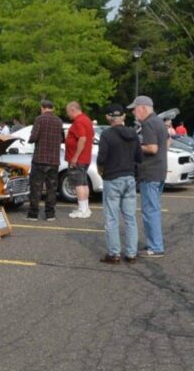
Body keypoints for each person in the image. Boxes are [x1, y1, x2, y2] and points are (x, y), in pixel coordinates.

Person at [96, 104, 142, 264]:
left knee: (112, 218)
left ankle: (114, 253)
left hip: (112, 178)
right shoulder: (133, 134)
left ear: (109, 117)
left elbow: (101, 158)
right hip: (129, 178)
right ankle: (131, 254)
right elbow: (139, 158)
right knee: (130, 218)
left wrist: (101, 170)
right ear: (123, 117)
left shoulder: (107, 135)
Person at [130, 95, 168, 258]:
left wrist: (136, 145)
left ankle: (156, 247)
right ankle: (154, 244)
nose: (133, 112)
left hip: (150, 172)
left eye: (135, 108)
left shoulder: (148, 123)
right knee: (153, 209)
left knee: (150, 210)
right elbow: (167, 142)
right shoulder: (159, 121)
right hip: (159, 170)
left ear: (143, 108)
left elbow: (152, 148)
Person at [26, 99, 63, 221]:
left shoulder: (39, 119)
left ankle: (33, 214)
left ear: (42, 107)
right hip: (54, 160)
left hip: (40, 159)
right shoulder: (59, 121)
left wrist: (30, 139)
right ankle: (50, 214)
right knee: (52, 188)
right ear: (52, 108)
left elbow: (34, 137)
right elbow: (62, 138)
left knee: (36, 187)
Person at [65, 101, 95, 219]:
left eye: (68, 112)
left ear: (73, 110)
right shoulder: (87, 120)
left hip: (78, 158)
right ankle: (85, 208)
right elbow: (89, 136)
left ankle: (82, 210)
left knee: (78, 184)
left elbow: (82, 138)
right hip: (85, 157)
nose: (68, 115)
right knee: (83, 182)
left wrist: (75, 157)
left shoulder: (79, 121)